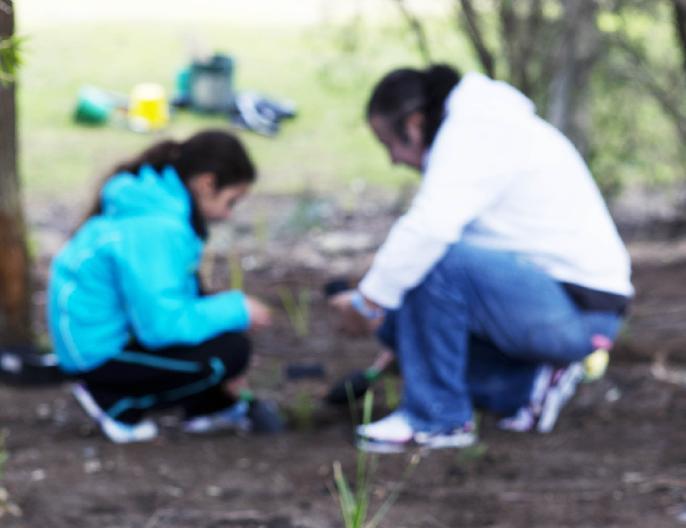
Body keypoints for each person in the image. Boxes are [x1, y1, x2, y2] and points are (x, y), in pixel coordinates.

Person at [331, 65, 632, 452]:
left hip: (578, 308)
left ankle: (438, 419)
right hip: (548, 302)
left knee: (433, 261)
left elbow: (430, 232)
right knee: (398, 318)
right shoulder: (477, 129)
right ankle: (527, 386)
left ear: (415, 123)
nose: (393, 160)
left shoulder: (477, 131)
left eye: (390, 143)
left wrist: (366, 303)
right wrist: (400, 334)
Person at [48, 129, 280, 443]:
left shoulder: (153, 205)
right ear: (207, 183)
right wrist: (237, 308)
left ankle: (208, 407)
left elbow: (169, 299)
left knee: (217, 336)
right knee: (231, 351)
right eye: (231, 201)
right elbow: (160, 327)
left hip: (101, 340)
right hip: (99, 356)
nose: (228, 214)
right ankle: (114, 402)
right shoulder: (156, 228)